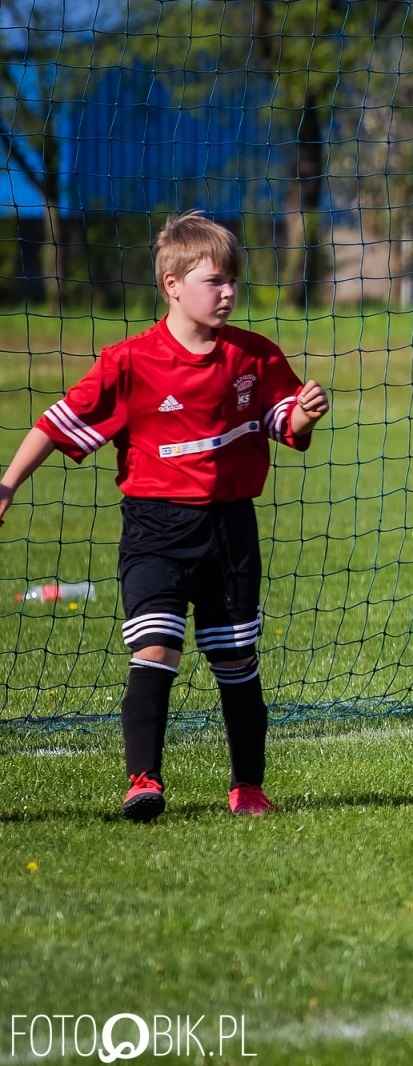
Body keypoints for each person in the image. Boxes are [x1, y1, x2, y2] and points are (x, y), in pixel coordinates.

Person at [0, 211, 330, 821]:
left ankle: (248, 787)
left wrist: (305, 413)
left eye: (233, 279)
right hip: (155, 530)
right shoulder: (131, 362)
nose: (228, 291)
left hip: (230, 530)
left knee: (234, 659)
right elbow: (55, 422)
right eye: (214, 280)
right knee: (155, 649)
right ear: (173, 284)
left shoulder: (254, 358)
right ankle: (143, 781)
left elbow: (281, 422)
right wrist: (7, 483)